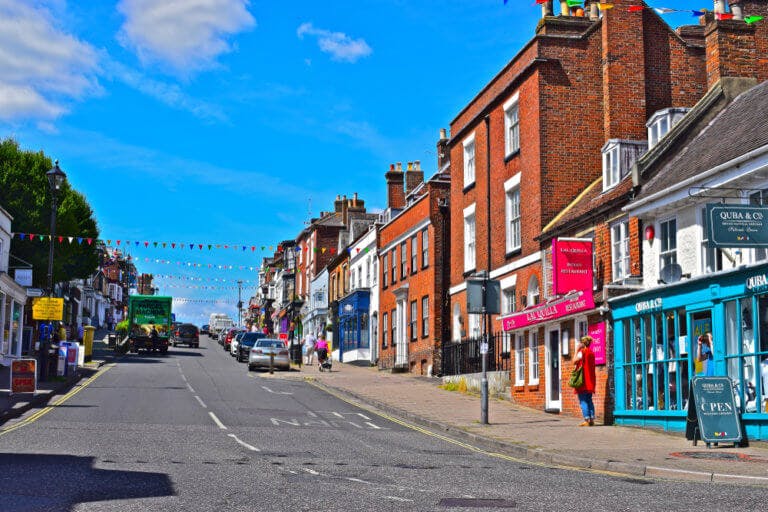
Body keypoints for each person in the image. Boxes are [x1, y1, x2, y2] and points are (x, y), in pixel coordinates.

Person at [573, 335, 597, 426]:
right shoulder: (592, 353)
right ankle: (592, 419)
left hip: (582, 380)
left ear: (583, 343)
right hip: (590, 379)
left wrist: (576, 350)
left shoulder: (582, 352)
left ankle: (586, 420)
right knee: (589, 399)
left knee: (583, 400)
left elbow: (574, 361)